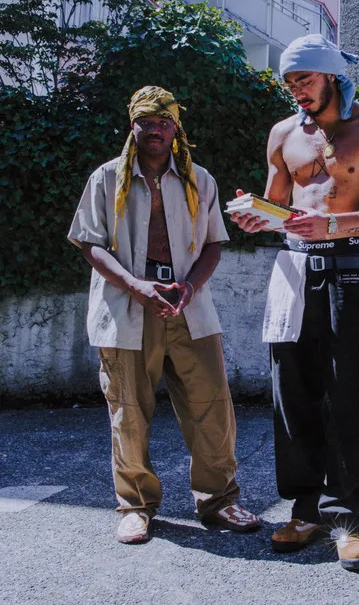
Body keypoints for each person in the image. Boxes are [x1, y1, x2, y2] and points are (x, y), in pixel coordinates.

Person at [231, 34, 359, 570]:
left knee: (351, 394)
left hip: (348, 267)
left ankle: (349, 520)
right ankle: (305, 510)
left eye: (304, 80)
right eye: (289, 83)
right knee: (293, 393)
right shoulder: (284, 132)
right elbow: (278, 203)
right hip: (290, 268)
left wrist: (334, 222)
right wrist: (255, 213)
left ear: (331, 74)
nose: (296, 92)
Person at [68, 86, 259, 544]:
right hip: (124, 307)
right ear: (132, 125)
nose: (154, 129)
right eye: (146, 121)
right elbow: (90, 243)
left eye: (164, 121)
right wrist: (136, 286)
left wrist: (189, 288)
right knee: (128, 411)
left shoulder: (201, 180)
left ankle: (219, 500)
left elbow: (214, 242)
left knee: (212, 405)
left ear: (176, 128)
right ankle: (136, 506)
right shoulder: (106, 178)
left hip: (188, 307)